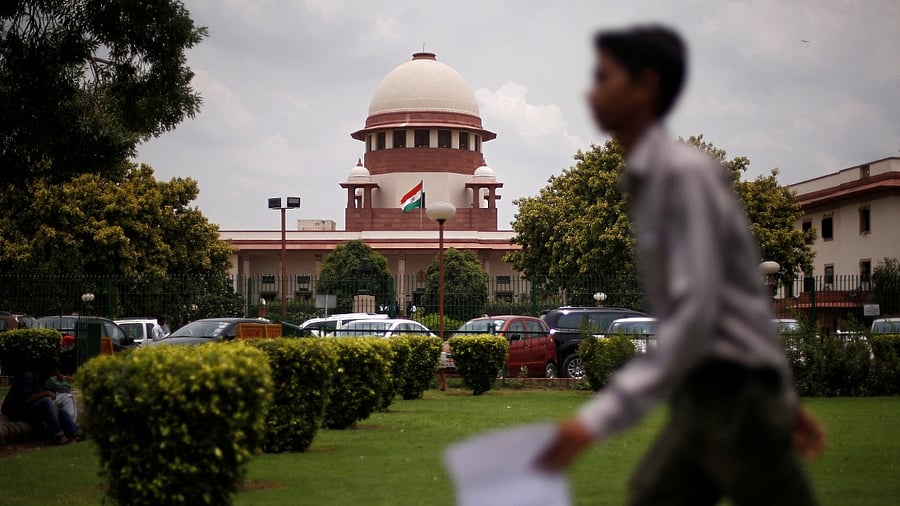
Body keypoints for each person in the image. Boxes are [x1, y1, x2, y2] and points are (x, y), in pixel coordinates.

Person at [535, 25, 826, 505]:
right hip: (712, 395)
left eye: (604, 77)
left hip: (735, 397)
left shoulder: (681, 177)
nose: (591, 92)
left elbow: (697, 313)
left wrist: (596, 420)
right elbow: (742, 302)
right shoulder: (650, 180)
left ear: (646, 85)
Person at [2, 364, 81, 444]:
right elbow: (27, 399)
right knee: (46, 401)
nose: (52, 375)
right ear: (46, 369)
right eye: (51, 371)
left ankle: (75, 432)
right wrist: (46, 393)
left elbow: (65, 389)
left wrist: (51, 402)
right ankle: (59, 436)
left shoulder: (41, 378)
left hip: (28, 409)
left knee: (59, 410)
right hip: (17, 411)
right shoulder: (27, 376)